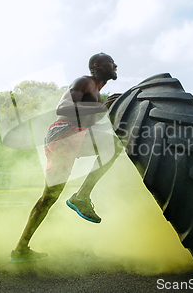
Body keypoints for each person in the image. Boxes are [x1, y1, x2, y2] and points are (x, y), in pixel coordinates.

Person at [9, 53, 122, 263]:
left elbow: (88, 124)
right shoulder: (84, 82)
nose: (115, 65)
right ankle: (81, 197)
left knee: (48, 198)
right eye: (110, 62)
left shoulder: (96, 93)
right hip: (63, 133)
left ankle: (20, 249)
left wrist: (108, 111)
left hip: (65, 140)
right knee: (114, 146)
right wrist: (101, 108)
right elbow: (62, 109)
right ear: (97, 66)